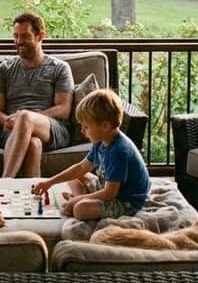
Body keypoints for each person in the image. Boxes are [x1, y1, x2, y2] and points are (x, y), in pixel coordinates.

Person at [31, 88, 149, 220]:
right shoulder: (102, 141)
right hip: (107, 187)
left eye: (86, 126)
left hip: (126, 201)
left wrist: (79, 201)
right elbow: (81, 168)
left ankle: (76, 201)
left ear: (105, 125)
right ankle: (77, 200)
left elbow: (109, 194)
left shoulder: (119, 152)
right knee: (75, 177)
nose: (82, 130)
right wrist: (49, 182)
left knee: (80, 210)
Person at [0, 12, 73, 178]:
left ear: (40, 36)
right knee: (33, 145)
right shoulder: (4, 70)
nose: (19, 42)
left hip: (52, 128)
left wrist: (26, 119)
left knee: (25, 116)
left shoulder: (59, 68)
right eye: (16, 36)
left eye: (25, 36)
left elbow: (63, 109)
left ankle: (5, 183)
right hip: (12, 131)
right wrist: (8, 120)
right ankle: (33, 198)